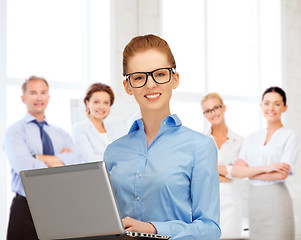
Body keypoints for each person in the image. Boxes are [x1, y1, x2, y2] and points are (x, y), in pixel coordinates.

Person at [103, 34, 221, 239]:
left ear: (174, 79)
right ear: (127, 86)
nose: (150, 85)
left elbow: (210, 229)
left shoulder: (200, 147)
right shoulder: (113, 152)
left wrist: (154, 229)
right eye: (139, 77)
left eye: (159, 74)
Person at [4, 76, 80, 240]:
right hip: (25, 208)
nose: (39, 97)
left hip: (57, 206)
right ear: (23, 98)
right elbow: (25, 168)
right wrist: (60, 161)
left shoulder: (61, 134)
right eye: (33, 92)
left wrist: (38, 157)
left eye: (43, 92)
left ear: (48, 97)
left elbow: (76, 163)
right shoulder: (14, 131)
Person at [220, 86, 300, 240]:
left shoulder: (290, 136)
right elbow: (237, 170)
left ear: (285, 107)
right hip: (255, 201)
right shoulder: (252, 138)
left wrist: (248, 172)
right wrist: (269, 168)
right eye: (267, 103)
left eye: (277, 104)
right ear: (261, 106)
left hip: (277, 200)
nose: (271, 108)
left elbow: (281, 174)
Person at [201, 92, 243, 238]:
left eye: (216, 108)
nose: (213, 113)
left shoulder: (239, 141)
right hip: (207, 203)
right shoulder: (201, 142)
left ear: (223, 108)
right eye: (208, 110)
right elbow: (200, 174)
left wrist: (212, 171)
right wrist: (229, 171)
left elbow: (241, 174)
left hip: (231, 202)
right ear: (204, 115)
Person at [72, 83, 122, 162]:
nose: (101, 107)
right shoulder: (79, 129)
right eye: (96, 102)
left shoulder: (115, 130)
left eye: (106, 103)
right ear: (87, 103)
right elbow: (89, 159)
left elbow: (123, 155)